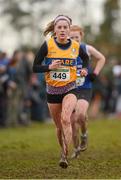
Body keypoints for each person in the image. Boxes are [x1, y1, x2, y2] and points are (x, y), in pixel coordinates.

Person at [33, 15, 89, 168]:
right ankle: (62, 148)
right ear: (55, 30)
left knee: (66, 119)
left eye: (65, 27)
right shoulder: (48, 45)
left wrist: (84, 69)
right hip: (52, 91)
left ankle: (64, 155)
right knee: (59, 127)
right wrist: (49, 67)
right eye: (60, 27)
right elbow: (35, 67)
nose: (63, 30)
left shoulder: (76, 46)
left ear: (69, 30)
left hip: (70, 88)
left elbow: (85, 59)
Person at [69, 25, 105, 158]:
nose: (74, 40)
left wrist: (95, 73)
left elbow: (102, 58)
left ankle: (84, 135)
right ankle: (76, 149)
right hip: (69, 89)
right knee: (72, 121)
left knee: (80, 115)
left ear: (81, 37)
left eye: (76, 37)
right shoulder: (64, 50)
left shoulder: (86, 48)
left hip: (85, 87)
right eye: (71, 37)